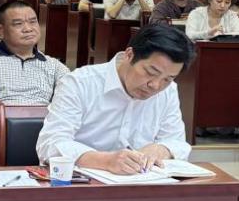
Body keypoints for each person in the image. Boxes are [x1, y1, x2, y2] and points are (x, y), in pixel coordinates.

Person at [35, 24, 191, 173]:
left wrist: (161, 149)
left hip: (142, 182)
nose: (155, 85)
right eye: (151, 72)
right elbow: (50, 144)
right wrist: (106, 161)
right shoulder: (80, 83)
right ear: (129, 55)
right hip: (82, 183)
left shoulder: (168, 91)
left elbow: (177, 143)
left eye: (167, 79)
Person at [0, 0, 69, 114]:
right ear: (0, 30)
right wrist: (4, 115)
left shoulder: (53, 65)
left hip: (42, 121)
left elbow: (73, 91)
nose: (28, 29)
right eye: (18, 24)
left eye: (33, 22)